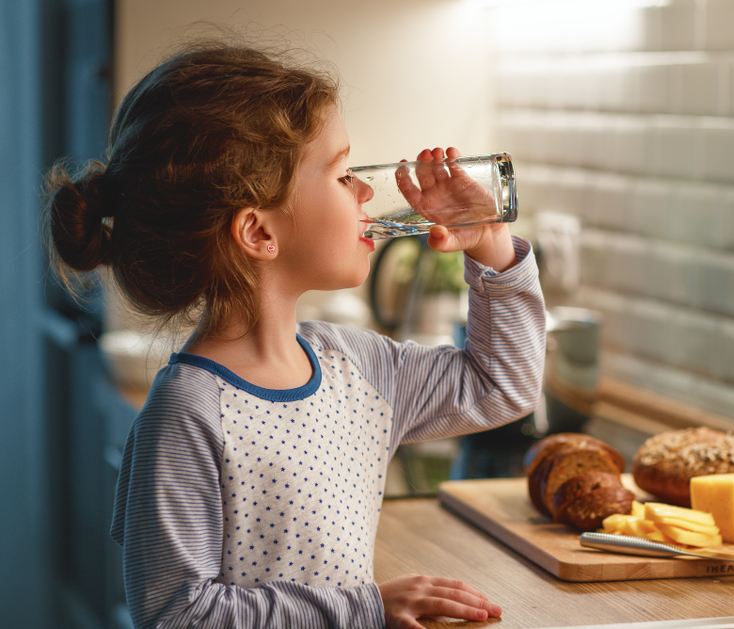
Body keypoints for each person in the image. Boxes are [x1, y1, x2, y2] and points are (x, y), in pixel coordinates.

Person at [44, 37, 546, 629]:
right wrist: (366, 610)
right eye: (340, 175)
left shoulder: (353, 366)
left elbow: (499, 385)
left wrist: (488, 245)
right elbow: (179, 615)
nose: (365, 189)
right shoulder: (185, 417)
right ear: (258, 233)